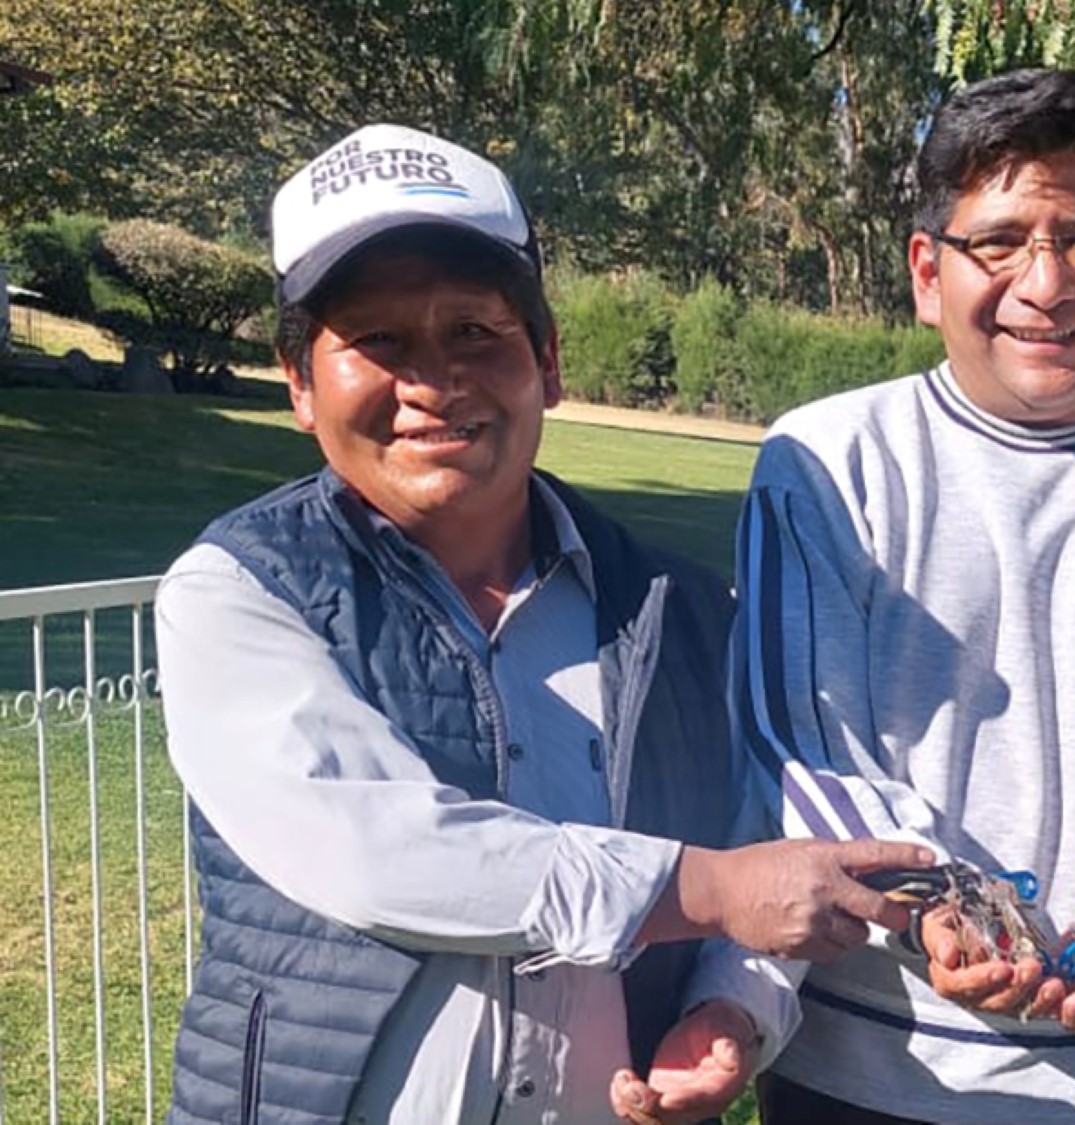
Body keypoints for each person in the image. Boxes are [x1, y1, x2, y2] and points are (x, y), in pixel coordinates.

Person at [156, 123, 932, 1125]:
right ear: (300, 381)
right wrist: (700, 887)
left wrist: (731, 1007)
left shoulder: (678, 610)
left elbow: (760, 848)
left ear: (549, 361)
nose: (434, 382)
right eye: (376, 341)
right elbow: (379, 848)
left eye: (475, 331)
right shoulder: (238, 593)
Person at [681, 69, 1075, 1125]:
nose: (1045, 284)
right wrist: (949, 901)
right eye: (998, 241)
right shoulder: (827, 460)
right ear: (927, 271)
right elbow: (798, 746)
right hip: (871, 1073)